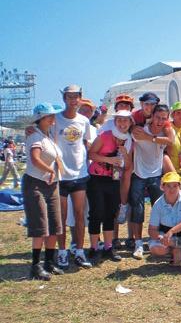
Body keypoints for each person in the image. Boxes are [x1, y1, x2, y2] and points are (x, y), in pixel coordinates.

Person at [23, 103, 64, 280]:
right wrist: (50, 170)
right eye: (49, 116)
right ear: (40, 118)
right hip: (36, 184)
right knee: (40, 225)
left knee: (54, 224)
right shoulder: (35, 136)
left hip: (51, 184)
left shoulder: (48, 136)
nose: (53, 119)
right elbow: (35, 159)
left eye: (53, 116)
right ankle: (35, 266)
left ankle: (49, 262)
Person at [53, 84, 92, 269]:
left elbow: (87, 144)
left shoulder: (84, 121)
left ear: (80, 98)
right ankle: (62, 252)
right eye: (69, 96)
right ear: (64, 98)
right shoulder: (55, 119)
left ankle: (79, 250)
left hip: (80, 173)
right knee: (61, 216)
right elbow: (40, 130)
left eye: (76, 96)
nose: (73, 100)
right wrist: (30, 129)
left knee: (79, 214)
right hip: (61, 174)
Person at [86, 110, 133, 263]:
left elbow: (128, 167)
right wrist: (111, 160)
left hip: (113, 180)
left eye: (126, 121)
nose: (122, 124)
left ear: (130, 123)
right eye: (119, 120)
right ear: (115, 122)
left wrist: (124, 154)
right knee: (96, 212)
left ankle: (108, 247)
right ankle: (94, 247)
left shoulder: (128, 140)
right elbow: (91, 154)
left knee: (110, 213)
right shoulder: (105, 136)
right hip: (97, 178)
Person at [129, 104, 175, 260]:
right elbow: (133, 134)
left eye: (164, 118)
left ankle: (158, 240)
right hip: (139, 173)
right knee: (138, 210)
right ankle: (138, 243)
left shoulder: (165, 131)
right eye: (157, 117)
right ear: (152, 116)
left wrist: (150, 138)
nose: (160, 121)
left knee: (160, 209)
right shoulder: (140, 129)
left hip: (156, 175)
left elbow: (170, 141)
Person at [148, 172, 181, 271]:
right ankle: (175, 251)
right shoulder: (158, 204)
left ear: (180, 186)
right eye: (168, 186)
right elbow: (152, 230)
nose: (172, 189)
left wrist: (172, 231)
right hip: (169, 238)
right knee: (154, 248)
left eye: (175, 186)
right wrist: (161, 238)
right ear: (162, 187)